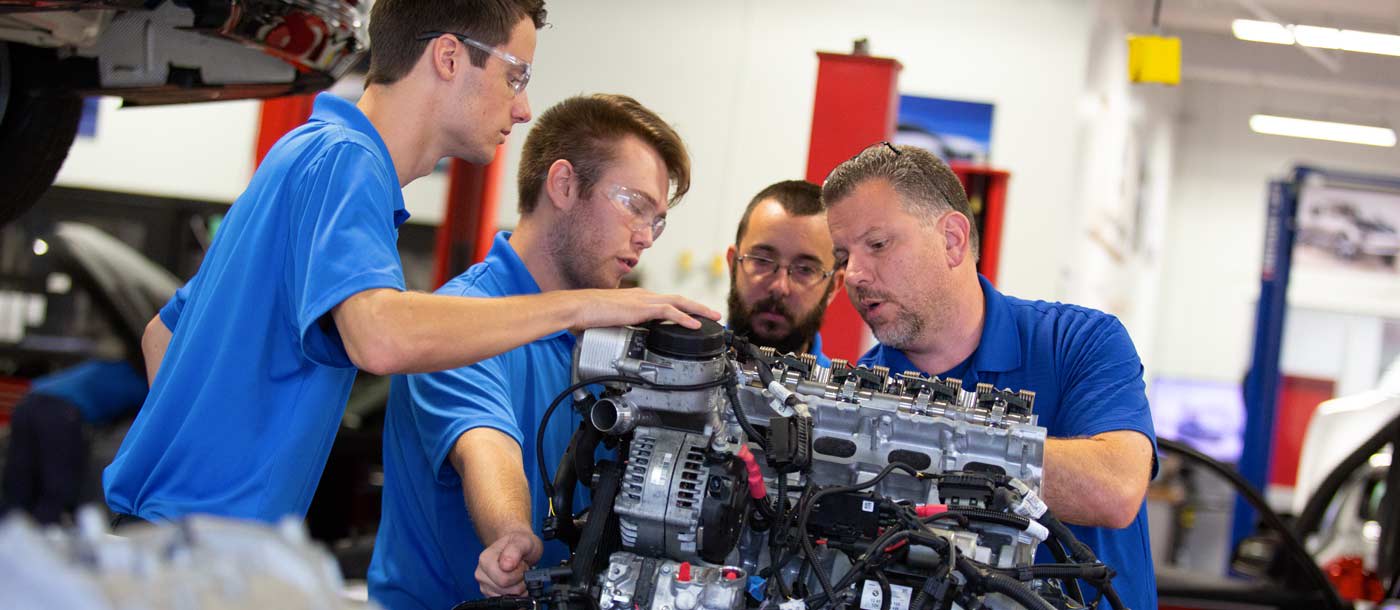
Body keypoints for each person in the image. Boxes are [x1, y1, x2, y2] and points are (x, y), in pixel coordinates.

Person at [102, 0, 717, 526]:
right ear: (449, 57)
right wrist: (588, 305)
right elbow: (380, 338)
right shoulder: (349, 163)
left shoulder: (304, 154)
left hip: (175, 535)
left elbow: (165, 334)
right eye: (515, 75)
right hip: (194, 553)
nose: (524, 107)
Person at [366, 93, 690, 610]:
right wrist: (513, 533)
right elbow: (487, 448)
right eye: (634, 205)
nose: (646, 237)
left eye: (658, 220)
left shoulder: (615, 347)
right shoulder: (458, 322)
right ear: (563, 185)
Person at [821, 142, 1157, 610]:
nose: (854, 274)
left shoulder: (1078, 342)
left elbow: (1114, 488)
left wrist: (900, 446)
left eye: (877, 244)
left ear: (953, 240)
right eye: (843, 256)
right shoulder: (857, 395)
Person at [2, 359, 146, 524]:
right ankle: (48, 538)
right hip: (60, 411)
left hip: (28, 401)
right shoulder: (141, 380)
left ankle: (7, 537)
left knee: (19, 483)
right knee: (57, 489)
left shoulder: (109, 366)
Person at [725, 180, 843, 364]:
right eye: (762, 261)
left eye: (804, 270)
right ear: (733, 264)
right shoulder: (679, 370)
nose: (780, 287)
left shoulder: (839, 392)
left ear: (834, 286)